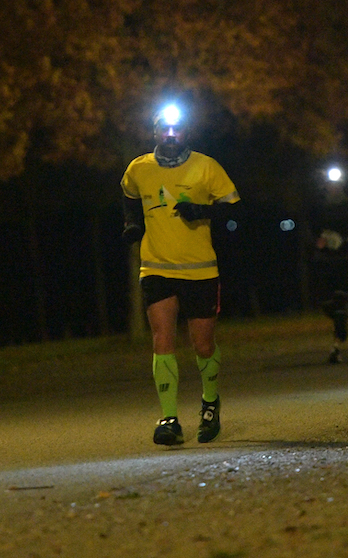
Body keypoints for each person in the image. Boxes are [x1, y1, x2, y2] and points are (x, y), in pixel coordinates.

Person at [121, 104, 241, 446]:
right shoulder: (138, 168)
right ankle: (169, 419)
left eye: (177, 131)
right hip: (156, 267)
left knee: (202, 345)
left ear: (186, 133)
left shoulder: (206, 166)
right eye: (164, 130)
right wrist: (132, 224)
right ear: (155, 132)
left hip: (200, 269)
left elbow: (234, 208)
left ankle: (210, 403)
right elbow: (129, 196)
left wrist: (202, 211)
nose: (170, 136)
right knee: (163, 339)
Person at [310, 168, 348, 363]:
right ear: (325, 186)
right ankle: (338, 324)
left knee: (340, 300)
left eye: (337, 184)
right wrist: (316, 241)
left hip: (344, 259)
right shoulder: (318, 207)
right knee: (328, 303)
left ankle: (336, 344)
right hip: (324, 261)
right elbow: (309, 230)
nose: (334, 188)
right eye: (330, 184)